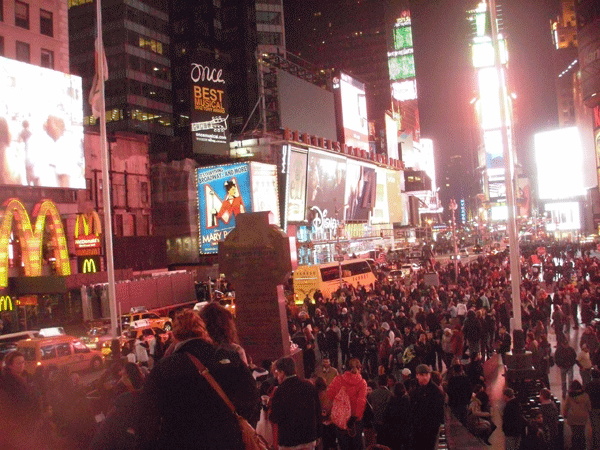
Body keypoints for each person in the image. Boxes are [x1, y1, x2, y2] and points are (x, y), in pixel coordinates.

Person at [135, 309, 259, 450]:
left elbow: (147, 419)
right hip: (228, 441)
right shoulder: (230, 357)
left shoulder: (164, 369)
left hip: (181, 442)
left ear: (174, 335)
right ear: (203, 331)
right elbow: (252, 397)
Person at [269, 357, 321, 450]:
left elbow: (275, 417)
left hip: (288, 442)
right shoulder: (309, 386)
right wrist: (318, 434)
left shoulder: (279, 391)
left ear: (282, 372)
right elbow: (318, 412)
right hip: (309, 438)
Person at [326, 358, 368, 450]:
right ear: (359, 369)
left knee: (344, 446)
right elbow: (361, 402)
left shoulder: (338, 380)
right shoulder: (362, 383)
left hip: (340, 420)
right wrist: (354, 418)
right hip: (354, 422)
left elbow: (329, 394)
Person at [409, 364, 445, 450]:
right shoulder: (415, 389)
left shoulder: (435, 391)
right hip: (416, 429)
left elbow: (438, 413)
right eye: (422, 375)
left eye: (427, 375)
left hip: (429, 430)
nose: (425, 377)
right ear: (417, 375)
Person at [379, 382, 411, 450]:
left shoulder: (392, 400)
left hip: (393, 430)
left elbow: (386, 416)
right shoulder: (407, 400)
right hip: (404, 429)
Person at [563, 379, 591, 450]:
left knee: (574, 433)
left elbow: (566, 407)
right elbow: (589, 407)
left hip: (573, 417)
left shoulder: (569, 396)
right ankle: (583, 447)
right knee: (582, 432)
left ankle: (575, 446)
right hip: (583, 417)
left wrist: (565, 414)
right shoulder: (585, 395)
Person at [368, 374, 393, 443]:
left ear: (378, 383)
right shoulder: (390, 394)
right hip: (386, 421)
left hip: (375, 420)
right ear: (387, 382)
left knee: (378, 440)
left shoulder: (373, 394)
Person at [586, 368, 600, 450]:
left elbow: (586, 397)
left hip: (593, 407)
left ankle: (596, 444)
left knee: (595, 427)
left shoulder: (589, 385)